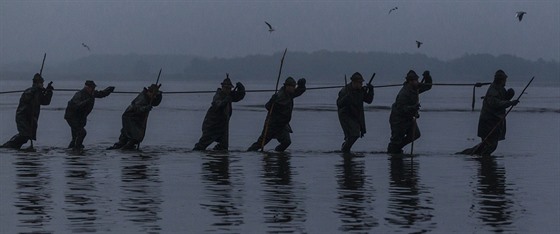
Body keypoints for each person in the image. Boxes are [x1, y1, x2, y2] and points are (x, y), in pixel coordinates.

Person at [459, 70, 518, 156]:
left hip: (494, 121)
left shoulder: (500, 89)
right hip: (488, 122)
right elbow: (496, 103)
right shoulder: (492, 90)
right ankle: (481, 160)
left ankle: (482, 159)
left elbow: (503, 100)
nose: (505, 83)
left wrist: (509, 95)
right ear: (500, 80)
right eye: (504, 80)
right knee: (489, 145)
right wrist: (510, 103)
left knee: (490, 145)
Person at [247, 77, 306, 152]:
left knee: (286, 142)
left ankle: (278, 154)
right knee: (260, 144)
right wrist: (272, 101)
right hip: (272, 124)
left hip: (282, 125)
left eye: (295, 86)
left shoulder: (290, 93)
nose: (294, 88)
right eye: (293, 86)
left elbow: (299, 91)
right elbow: (267, 106)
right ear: (287, 86)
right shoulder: (280, 96)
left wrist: (302, 85)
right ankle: (248, 152)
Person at [1, 73, 53, 149]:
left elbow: (45, 102)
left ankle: (14, 148)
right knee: (24, 135)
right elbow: (27, 98)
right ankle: (7, 147)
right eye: (42, 84)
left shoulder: (38, 93)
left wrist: (49, 92)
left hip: (31, 118)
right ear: (37, 83)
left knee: (27, 136)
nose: (43, 85)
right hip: (23, 117)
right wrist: (35, 90)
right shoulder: (29, 91)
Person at [193, 77, 246, 151]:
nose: (228, 90)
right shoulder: (218, 96)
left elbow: (238, 97)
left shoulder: (229, 95)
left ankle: (217, 157)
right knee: (201, 146)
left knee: (223, 148)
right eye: (226, 88)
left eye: (229, 88)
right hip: (212, 126)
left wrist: (241, 89)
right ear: (222, 87)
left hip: (223, 127)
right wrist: (226, 100)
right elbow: (218, 105)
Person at [387, 70, 433, 154]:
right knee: (396, 139)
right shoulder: (404, 93)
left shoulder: (416, 88)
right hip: (398, 119)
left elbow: (428, 86)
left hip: (408, 118)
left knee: (415, 134)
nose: (417, 82)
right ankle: (393, 151)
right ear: (410, 81)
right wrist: (413, 108)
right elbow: (401, 108)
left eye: (417, 80)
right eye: (415, 80)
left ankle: (397, 148)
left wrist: (427, 77)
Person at [107, 83, 163, 150]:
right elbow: (137, 108)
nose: (154, 97)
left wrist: (159, 96)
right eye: (153, 95)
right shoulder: (142, 97)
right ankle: (123, 148)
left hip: (137, 119)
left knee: (128, 135)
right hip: (130, 117)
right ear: (149, 92)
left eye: (155, 96)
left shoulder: (149, 97)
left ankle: (123, 147)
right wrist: (145, 108)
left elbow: (155, 103)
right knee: (133, 136)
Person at [64, 80, 114, 151]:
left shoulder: (92, 93)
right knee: (82, 133)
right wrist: (87, 101)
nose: (93, 89)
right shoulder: (79, 94)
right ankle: (77, 149)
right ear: (87, 87)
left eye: (94, 88)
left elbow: (101, 94)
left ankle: (72, 150)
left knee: (75, 136)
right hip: (72, 117)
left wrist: (109, 90)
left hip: (80, 118)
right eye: (92, 88)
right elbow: (76, 105)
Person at [336, 72, 374, 152]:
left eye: (361, 83)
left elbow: (368, 100)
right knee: (353, 134)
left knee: (355, 134)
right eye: (359, 83)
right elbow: (339, 104)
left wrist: (371, 90)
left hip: (356, 115)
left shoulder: (361, 91)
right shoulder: (344, 91)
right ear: (354, 82)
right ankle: (345, 150)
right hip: (346, 115)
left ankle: (346, 148)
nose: (361, 84)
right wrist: (347, 97)